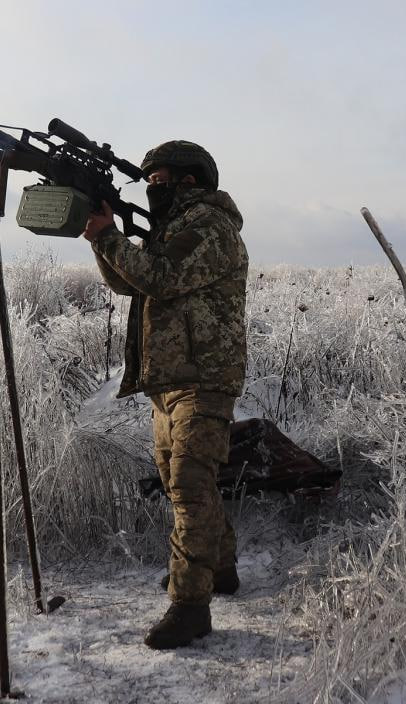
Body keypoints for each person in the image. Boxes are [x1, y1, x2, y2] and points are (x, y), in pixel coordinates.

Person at [82, 139, 248, 650]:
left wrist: (111, 237)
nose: (151, 189)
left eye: (158, 181)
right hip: (171, 378)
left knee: (190, 485)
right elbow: (131, 283)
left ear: (188, 182)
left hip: (203, 377)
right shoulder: (171, 229)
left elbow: (163, 277)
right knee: (185, 483)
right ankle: (219, 569)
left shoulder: (209, 227)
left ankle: (190, 605)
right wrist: (102, 239)